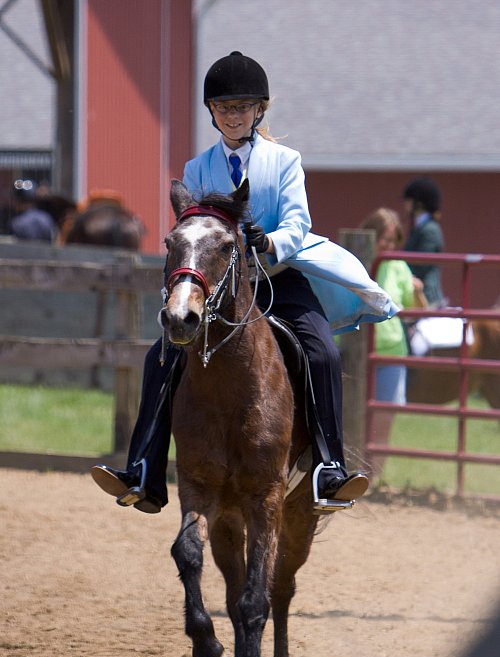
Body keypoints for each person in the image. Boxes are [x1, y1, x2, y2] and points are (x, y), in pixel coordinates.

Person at [91, 51, 398, 515]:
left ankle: (329, 469)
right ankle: (144, 469)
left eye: (242, 107)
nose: (233, 116)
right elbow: (195, 228)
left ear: (260, 111)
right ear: (212, 112)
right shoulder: (197, 170)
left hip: (280, 275)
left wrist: (268, 241)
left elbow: (299, 223)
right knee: (163, 355)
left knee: (322, 351)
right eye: (224, 108)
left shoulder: (286, 161)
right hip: (222, 289)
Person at [360, 207, 427, 472]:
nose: (387, 245)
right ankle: (348, 471)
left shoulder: (399, 266)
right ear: (370, 234)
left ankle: (375, 475)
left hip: (390, 352)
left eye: (392, 240)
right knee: (348, 415)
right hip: (356, 351)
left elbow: (419, 310)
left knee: (384, 418)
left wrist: (419, 292)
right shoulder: (354, 259)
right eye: (382, 238)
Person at [402, 175, 446, 307]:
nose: (405, 204)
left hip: (427, 297)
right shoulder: (419, 227)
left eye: (409, 200)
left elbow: (421, 264)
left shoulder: (430, 230)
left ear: (418, 203)